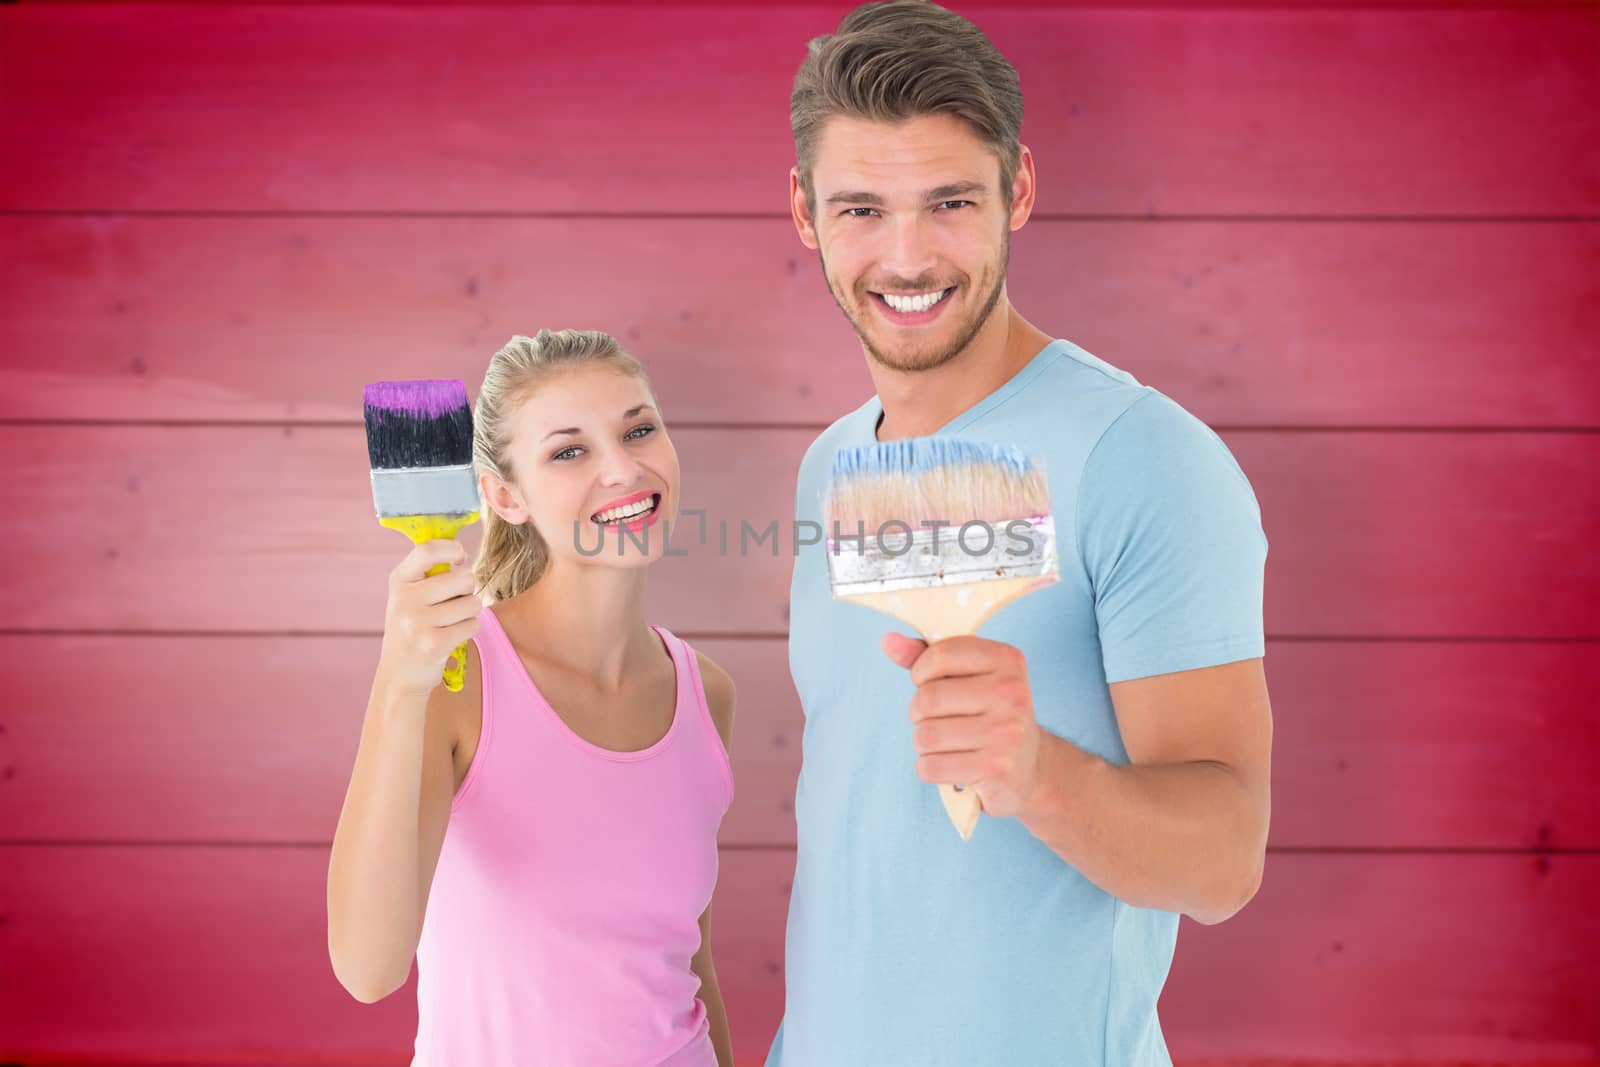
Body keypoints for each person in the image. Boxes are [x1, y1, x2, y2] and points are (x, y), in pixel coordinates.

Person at [770, 3, 1274, 1064]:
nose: (905, 256)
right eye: (861, 207)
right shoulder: (830, 466)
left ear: (1020, 191)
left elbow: (1224, 858)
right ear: (806, 214)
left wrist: (1038, 771)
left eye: (948, 201)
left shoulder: (1143, 456)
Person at [328, 329, 736, 1067]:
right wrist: (398, 683)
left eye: (639, 429)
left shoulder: (706, 694)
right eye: (569, 450)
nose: (623, 467)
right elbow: (367, 967)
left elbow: (689, 960)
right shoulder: (456, 682)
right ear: (504, 496)